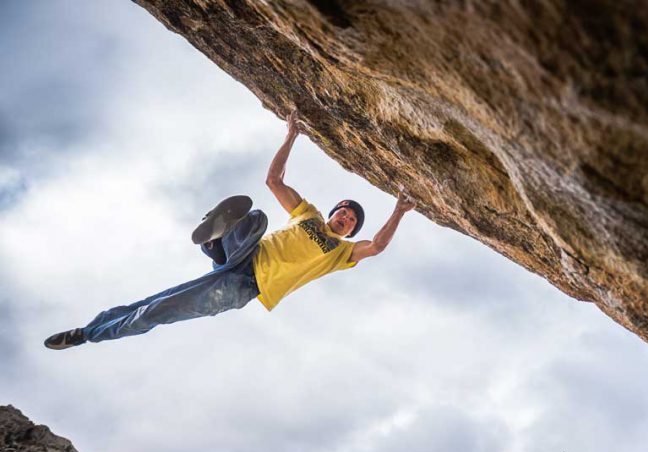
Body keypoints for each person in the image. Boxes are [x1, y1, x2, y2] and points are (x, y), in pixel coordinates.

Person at [44, 109, 416, 350]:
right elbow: (274, 180)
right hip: (245, 252)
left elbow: (377, 246)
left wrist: (399, 210)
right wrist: (291, 135)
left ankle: (86, 333)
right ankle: (218, 241)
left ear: (350, 232)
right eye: (343, 211)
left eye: (351, 221)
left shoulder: (341, 253)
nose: (346, 218)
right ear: (333, 212)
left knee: (156, 309)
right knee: (258, 218)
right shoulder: (309, 215)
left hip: (244, 285)